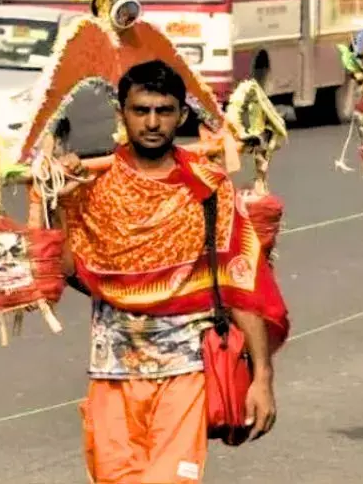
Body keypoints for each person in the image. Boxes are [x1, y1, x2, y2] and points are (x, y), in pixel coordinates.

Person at [53, 60, 289, 483]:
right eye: (140, 110)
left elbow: (241, 283)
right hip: (113, 371)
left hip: (186, 371)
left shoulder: (209, 187)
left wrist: (263, 379)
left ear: (181, 115)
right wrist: (60, 203)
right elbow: (72, 271)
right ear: (121, 115)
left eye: (164, 110)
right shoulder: (95, 187)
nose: (152, 122)